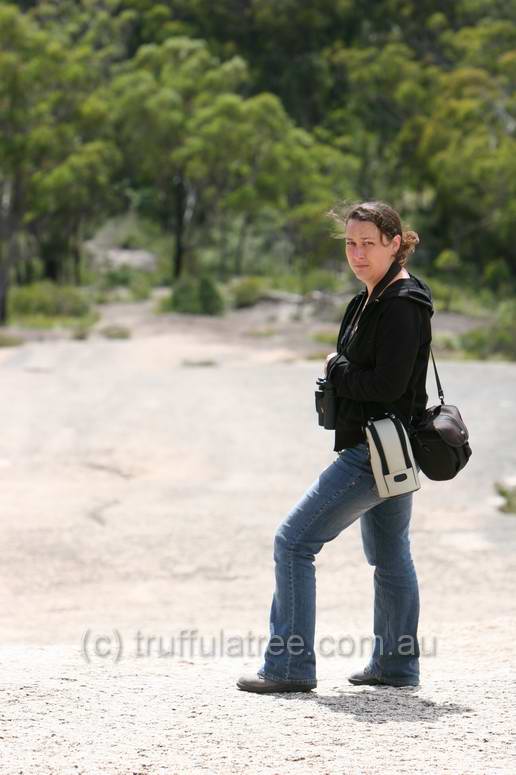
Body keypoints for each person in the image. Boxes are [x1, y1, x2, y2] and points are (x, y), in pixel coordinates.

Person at [236, 201, 434, 694]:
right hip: (391, 447)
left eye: (369, 243)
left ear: (394, 242)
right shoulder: (370, 298)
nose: (358, 252)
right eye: (351, 242)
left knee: (293, 542)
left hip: (375, 450)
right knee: (390, 556)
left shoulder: (402, 305)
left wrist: (334, 367)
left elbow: (386, 385)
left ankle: (288, 668)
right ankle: (395, 666)